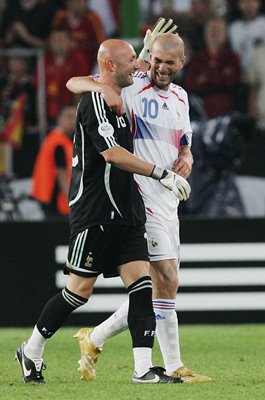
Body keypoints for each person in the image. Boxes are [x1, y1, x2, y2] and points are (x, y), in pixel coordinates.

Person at [15, 38, 191, 385]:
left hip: (128, 211)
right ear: (111, 65)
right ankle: (32, 348)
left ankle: (143, 369)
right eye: (132, 61)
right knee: (78, 291)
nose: (138, 66)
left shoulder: (126, 98)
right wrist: (161, 173)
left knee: (142, 285)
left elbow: (130, 79)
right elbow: (111, 154)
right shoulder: (94, 101)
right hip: (95, 211)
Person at [66, 27, 211, 382]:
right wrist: (100, 85)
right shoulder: (134, 85)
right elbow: (75, 82)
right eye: (156, 60)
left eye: (168, 62)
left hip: (169, 198)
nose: (161, 68)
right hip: (140, 194)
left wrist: (187, 156)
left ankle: (94, 337)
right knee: (165, 277)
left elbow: (184, 141)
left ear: (181, 62)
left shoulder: (180, 96)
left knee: (164, 286)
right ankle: (172, 365)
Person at [183, 16, 241, 118]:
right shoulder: (197, 58)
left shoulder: (232, 58)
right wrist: (220, 75)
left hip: (226, 110)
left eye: (218, 30)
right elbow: (190, 84)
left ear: (225, 35)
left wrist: (204, 78)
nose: (214, 34)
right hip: (198, 110)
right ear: (205, 33)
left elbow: (231, 82)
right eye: (211, 30)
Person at [30, 104, 76, 218]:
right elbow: (61, 175)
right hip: (54, 197)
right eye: (69, 117)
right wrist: (72, 201)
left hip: (49, 195)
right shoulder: (58, 143)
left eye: (75, 116)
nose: (73, 121)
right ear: (59, 118)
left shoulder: (57, 139)